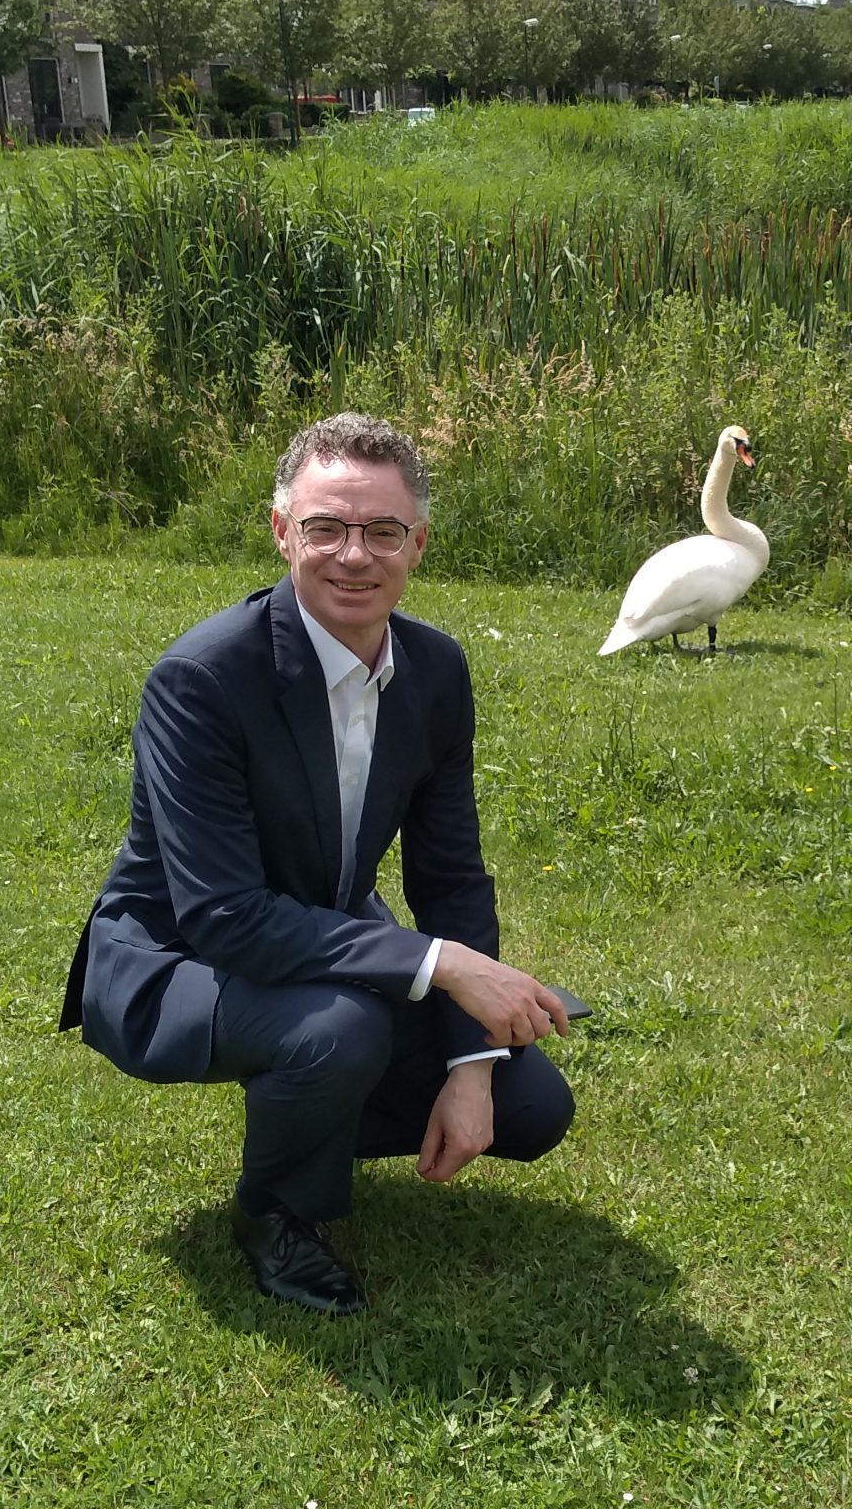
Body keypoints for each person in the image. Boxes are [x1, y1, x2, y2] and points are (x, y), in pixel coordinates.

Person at [60, 412, 575, 1315]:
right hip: (175, 954)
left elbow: (449, 876)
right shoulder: (204, 677)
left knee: (532, 1108)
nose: (353, 556)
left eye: (382, 531)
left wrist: (470, 1062)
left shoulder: (437, 671)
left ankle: (309, 1113)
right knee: (341, 1030)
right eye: (325, 527)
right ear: (281, 532)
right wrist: (445, 967)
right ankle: (274, 1214)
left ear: (418, 543)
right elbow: (222, 914)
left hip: (318, 936)